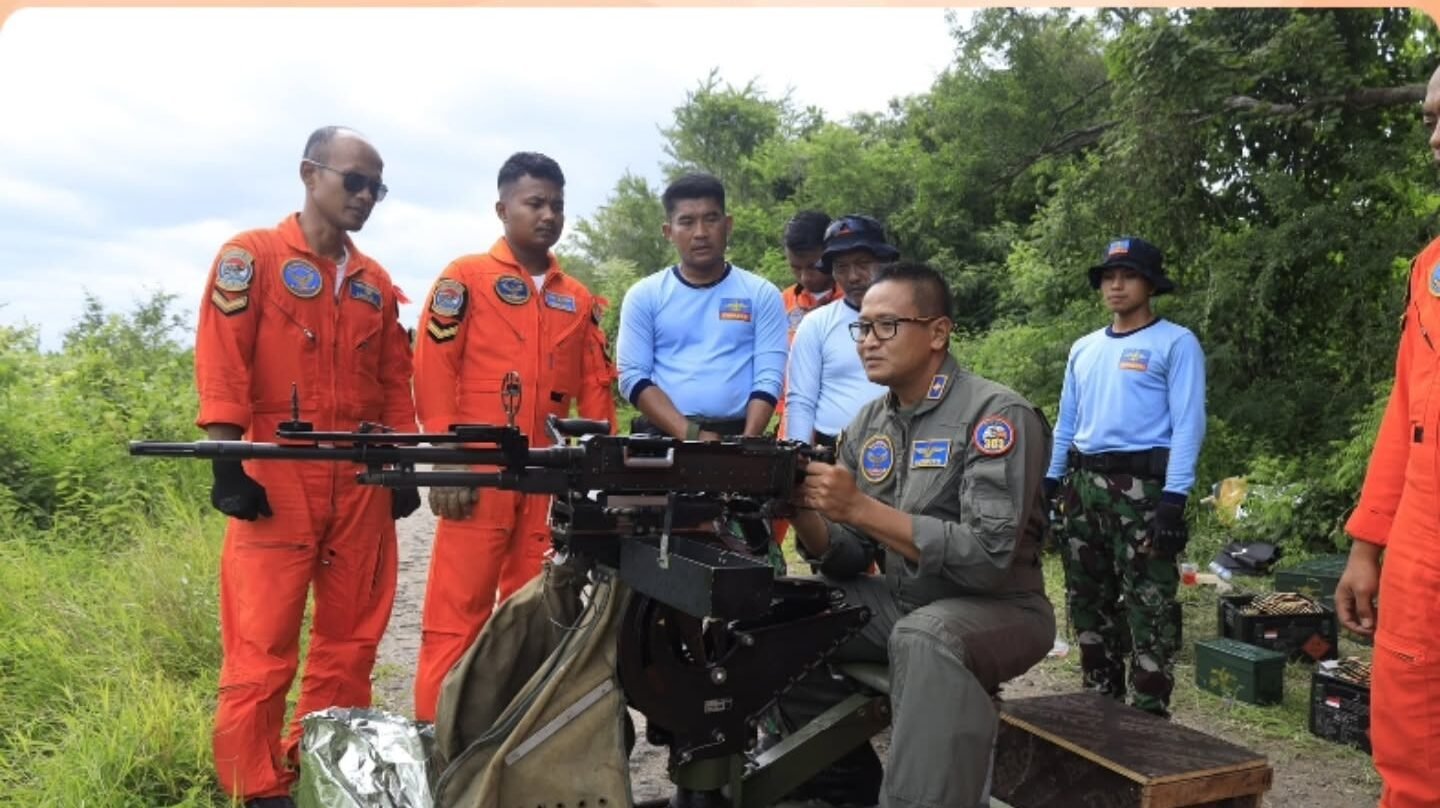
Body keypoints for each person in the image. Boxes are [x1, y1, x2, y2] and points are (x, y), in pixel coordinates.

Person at [192, 126, 419, 808]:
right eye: (354, 181)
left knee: (351, 639)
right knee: (262, 642)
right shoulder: (252, 258)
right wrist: (227, 459)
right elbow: (223, 358)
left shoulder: (375, 283)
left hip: (359, 475)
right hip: (276, 471)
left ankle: (324, 768)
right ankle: (256, 786)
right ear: (309, 174)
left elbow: (393, 383)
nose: (365, 196)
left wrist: (402, 465)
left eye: (376, 187)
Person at [785, 262, 1056, 808]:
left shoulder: (995, 415)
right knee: (778, 613)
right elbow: (849, 556)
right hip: (904, 598)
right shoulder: (867, 425)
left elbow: (986, 559)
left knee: (926, 637)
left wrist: (859, 507)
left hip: (1002, 608)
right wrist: (803, 511)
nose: (868, 341)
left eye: (887, 326)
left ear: (937, 332)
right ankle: (840, 784)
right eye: (862, 327)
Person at [410, 151, 617, 724]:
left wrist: (601, 473)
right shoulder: (464, 278)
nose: (548, 215)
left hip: (548, 482)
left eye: (557, 205)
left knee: (539, 616)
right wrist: (448, 459)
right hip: (478, 476)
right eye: (535, 203)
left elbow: (597, 389)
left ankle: (518, 744)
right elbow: (432, 369)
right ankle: (438, 740)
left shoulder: (578, 298)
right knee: (456, 618)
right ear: (502, 209)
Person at [1043, 236, 1206, 719]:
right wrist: (1049, 484)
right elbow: (1066, 423)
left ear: (1150, 284)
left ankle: (1149, 713)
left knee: (1148, 603)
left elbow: (1188, 425)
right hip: (1082, 489)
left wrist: (1174, 500)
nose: (1116, 285)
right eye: (1109, 277)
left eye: (1129, 276)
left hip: (1143, 492)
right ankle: (1099, 702)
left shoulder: (1175, 342)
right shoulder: (1084, 348)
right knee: (1087, 600)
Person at [1335, 62, 1440, 808]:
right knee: (1410, 749)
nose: (1435, 138)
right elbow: (1408, 416)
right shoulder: (1431, 270)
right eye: (1431, 120)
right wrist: (1369, 546)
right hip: (1422, 555)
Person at [615, 172, 787, 440]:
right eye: (687, 222)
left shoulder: (762, 294)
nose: (701, 233)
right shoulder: (644, 296)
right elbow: (632, 377)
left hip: (740, 437)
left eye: (711, 219)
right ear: (668, 232)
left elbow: (769, 376)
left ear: (728, 225)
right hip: (663, 441)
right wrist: (692, 435)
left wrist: (746, 444)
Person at [782, 214, 894, 449]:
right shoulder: (816, 324)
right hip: (833, 452)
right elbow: (801, 401)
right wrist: (800, 457)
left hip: (903, 449)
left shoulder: (912, 318)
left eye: (863, 264)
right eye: (841, 267)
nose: (853, 276)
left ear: (883, 261)